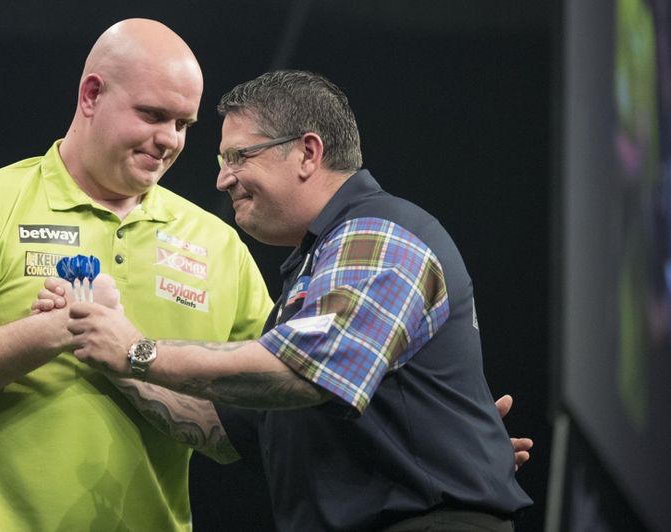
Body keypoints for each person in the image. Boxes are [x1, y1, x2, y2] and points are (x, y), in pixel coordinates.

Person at [58, 70, 534, 531]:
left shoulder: (379, 236)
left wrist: (138, 351)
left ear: (308, 153)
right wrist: (106, 344)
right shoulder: (319, 266)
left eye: (239, 156)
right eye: (221, 161)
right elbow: (223, 427)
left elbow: (299, 373)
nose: (223, 180)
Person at [0, 18, 274, 530]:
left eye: (183, 125)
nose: (168, 141)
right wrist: (48, 333)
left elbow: (259, 426)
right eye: (152, 114)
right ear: (91, 94)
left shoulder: (217, 246)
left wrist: (130, 358)